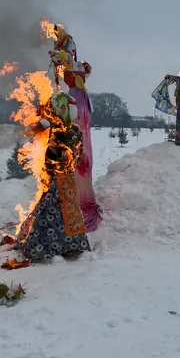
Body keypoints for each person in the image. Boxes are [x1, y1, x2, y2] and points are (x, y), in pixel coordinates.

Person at [17, 91, 90, 262]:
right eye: (68, 109)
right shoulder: (60, 129)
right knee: (54, 209)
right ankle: (52, 245)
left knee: (63, 210)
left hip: (66, 179)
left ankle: (69, 244)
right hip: (58, 177)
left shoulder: (71, 131)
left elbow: (71, 146)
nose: (72, 114)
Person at [47, 23, 103, 232]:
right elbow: (58, 56)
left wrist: (59, 45)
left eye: (72, 48)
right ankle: (73, 194)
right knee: (74, 141)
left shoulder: (74, 62)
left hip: (79, 102)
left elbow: (61, 56)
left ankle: (82, 197)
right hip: (74, 101)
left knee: (80, 143)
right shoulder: (69, 62)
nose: (71, 51)